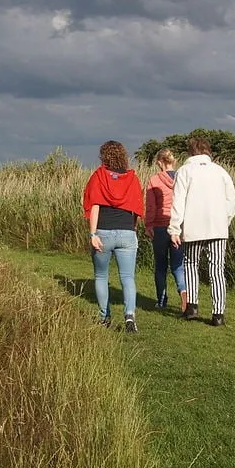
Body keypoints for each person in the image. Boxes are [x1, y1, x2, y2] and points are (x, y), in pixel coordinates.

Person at [168, 137, 235, 326]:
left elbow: (178, 202)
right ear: (208, 151)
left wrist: (174, 228)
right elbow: (231, 201)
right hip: (218, 228)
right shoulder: (221, 172)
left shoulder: (184, 171)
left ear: (190, 152)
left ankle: (192, 307)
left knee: (191, 264)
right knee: (217, 270)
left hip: (193, 227)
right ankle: (218, 314)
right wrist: (225, 221)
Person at [83, 140, 145, 333]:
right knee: (127, 277)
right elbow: (136, 207)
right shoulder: (132, 178)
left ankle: (104, 317)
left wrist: (93, 233)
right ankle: (129, 316)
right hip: (127, 232)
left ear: (104, 156)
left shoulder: (99, 176)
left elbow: (94, 205)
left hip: (103, 232)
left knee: (101, 276)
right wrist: (133, 229)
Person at [145, 148, 187, 312]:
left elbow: (151, 206)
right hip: (179, 226)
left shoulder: (154, 180)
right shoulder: (182, 178)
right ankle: (183, 291)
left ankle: (161, 300)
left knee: (160, 265)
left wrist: (149, 225)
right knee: (178, 265)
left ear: (159, 162)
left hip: (160, 226)